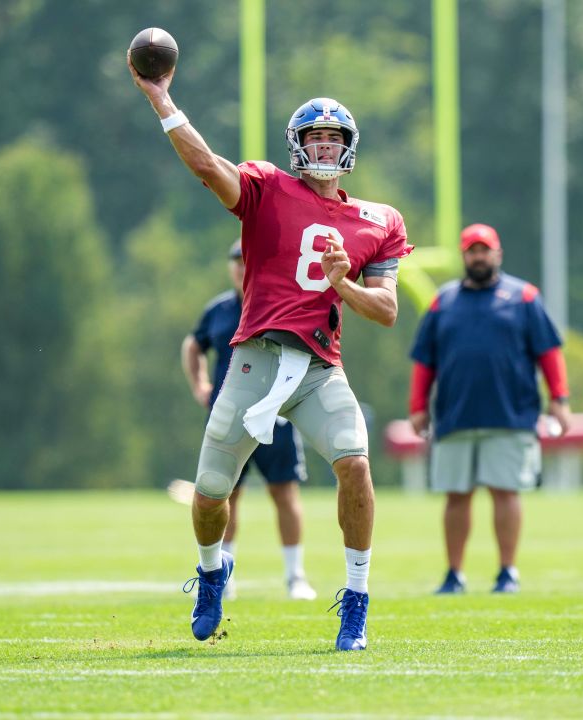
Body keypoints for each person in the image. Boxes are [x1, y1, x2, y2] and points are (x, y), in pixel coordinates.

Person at [130, 56, 412, 650]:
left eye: (335, 138)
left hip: (317, 366)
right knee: (210, 493)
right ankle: (211, 573)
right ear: (296, 146)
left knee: (355, 462)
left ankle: (356, 602)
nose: (325, 147)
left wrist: (344, 284)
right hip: (255, 357)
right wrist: (160, 98)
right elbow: (207, 165)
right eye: (315, 138)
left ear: (350, 146)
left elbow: (385, 311)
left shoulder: (379, 220)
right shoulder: (266, 188)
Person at [407, 224, 572, 595]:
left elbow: (549, 352)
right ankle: (454, 574)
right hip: (455, 414)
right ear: (464, 256)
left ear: (497, 254)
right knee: (456, 495)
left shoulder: (524, 297)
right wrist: (418, 407)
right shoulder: (442, 301)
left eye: (485, 250)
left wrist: (559, 399)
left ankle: (507, 571)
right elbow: (424, 361)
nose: (479, 257)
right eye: (472, 251)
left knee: (506, 491)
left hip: (510, 414)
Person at [181, 239, 319, 601]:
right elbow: (193, 345)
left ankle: (295, 576)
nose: (243, 267)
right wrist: (200, 385)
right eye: (236, 261)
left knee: (284, 493)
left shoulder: (279, 302)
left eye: (248, 259)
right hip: (230, 417)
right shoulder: (220, 310)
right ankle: (223, 576)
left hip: (276, 414)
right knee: (226, 496)